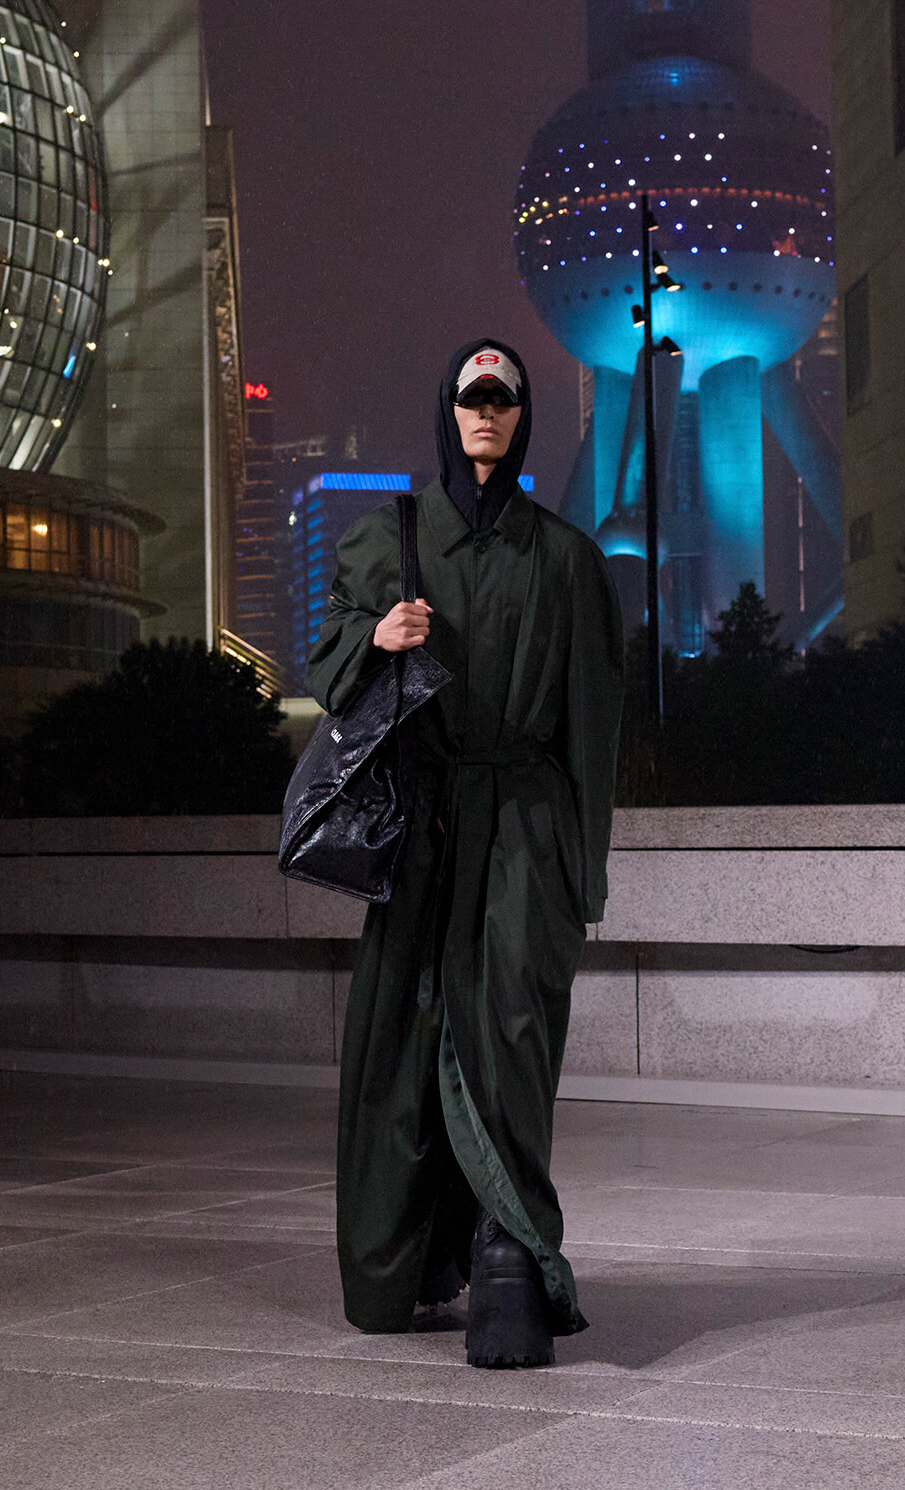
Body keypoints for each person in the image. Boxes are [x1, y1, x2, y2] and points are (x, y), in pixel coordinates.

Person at [305, 338, 624, 1367]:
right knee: (404, 1042)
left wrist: (587, 870)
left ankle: (509, 1256)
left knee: (515, 1036)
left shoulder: (568, 561)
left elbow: (593, 734)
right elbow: (329, 670)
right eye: (470, 397)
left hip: (527, 827)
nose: (486, 412)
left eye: (503, 398)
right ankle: (406, 1264)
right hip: (428, 829)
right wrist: (378, 639)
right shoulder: (387, 544)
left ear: (524, 414)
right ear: (445, 409)